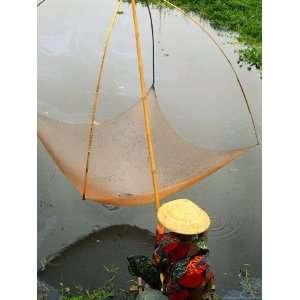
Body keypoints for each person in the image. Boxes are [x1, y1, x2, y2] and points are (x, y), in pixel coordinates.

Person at [128, 199, 215, 300]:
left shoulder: (169, 241)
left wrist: (159, 236)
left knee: (143, 296)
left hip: (179, 292)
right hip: (199, 288)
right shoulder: (201, 241)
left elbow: (156, 260)